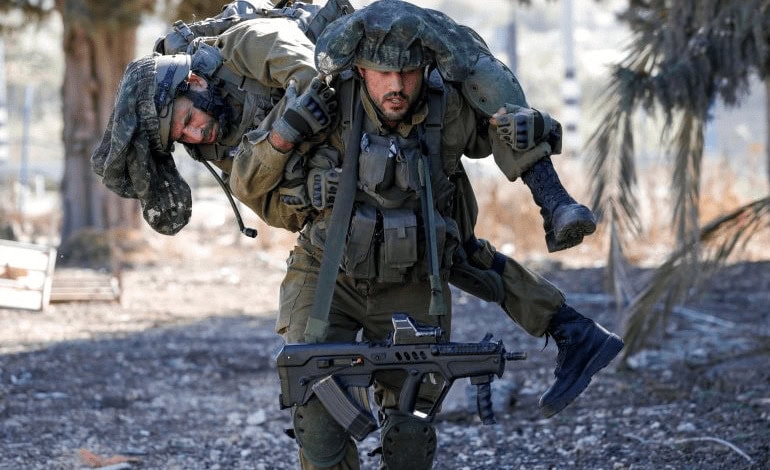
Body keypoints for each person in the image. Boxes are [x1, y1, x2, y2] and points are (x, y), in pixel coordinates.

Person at [225, 1, 624, 468]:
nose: (396, 86)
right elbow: (245, 182)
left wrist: (533, 132)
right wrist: (284, 135)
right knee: (317, 420)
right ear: (359, 68)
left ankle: (568, 317)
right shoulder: (323, 100)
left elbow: (504, 130)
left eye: (408, 72)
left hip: (416, 281)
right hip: (328, 279)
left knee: (410, 436)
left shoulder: (446, 107)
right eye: (383, 73)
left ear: (426, 69)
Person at [90, 0, 337, 235]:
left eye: (188, 120)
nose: (196, 136)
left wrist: (281, 139)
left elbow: (315, 79)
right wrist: (309, 189)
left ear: (195, 81)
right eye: (182, 137)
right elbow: (277, 212)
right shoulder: (214, 145)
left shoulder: (246, 41)